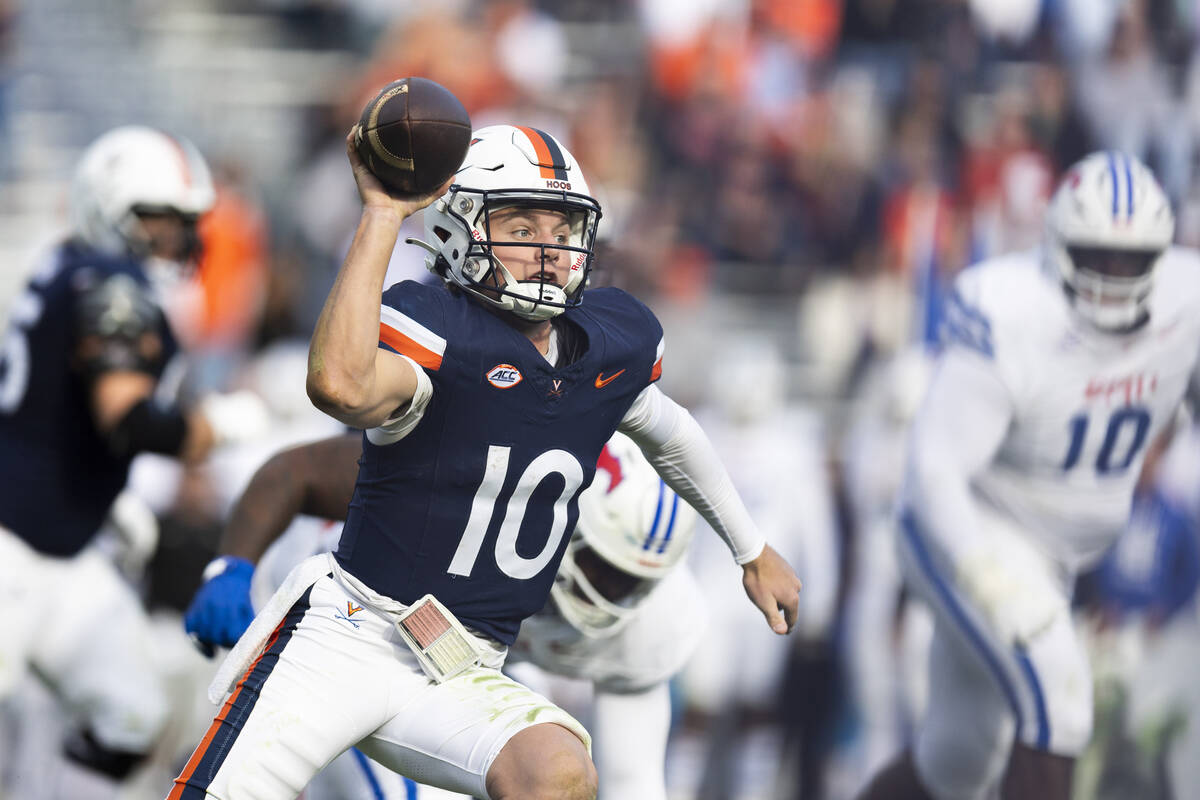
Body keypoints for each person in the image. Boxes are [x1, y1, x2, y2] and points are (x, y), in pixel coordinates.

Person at [170, 123, 802, 800]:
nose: (548, 251)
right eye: (522, 228)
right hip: (349, 637)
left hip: (464, 662)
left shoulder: (606, 348)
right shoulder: (442, 336)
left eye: (561, 231)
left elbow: (670, 433)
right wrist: (382, 215)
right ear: (459, 230)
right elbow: (340, 384)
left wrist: (750, 549)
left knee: (557, 774)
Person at [857, 150, 1200, 800]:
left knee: (956, 761)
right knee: (1061, 698)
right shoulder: (1011, 308)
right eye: (1099, 255)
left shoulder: (1187, 300)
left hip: (1057, 554)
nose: (1116, 276)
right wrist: (985, 575)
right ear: (1060, 245)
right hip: (968, 528)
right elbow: (935, 468)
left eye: (1132, 259)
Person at [184, 430, 705, 800]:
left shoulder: (652, 625)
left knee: (552, 777)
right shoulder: (468, 491)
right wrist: (229, 570)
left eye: (636, 584)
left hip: (464, 651)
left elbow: (634, 781)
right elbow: (294, 472)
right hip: (362, 614)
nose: (614, 596)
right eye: (603, 569)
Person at [0, 125, 266, 786]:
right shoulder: (111, 283)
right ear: (108, 208)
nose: (171, 239)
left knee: (134, 715)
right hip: (12, 547)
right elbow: (131, 420)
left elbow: (54, 409)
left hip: (58, 548)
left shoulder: (66, 261)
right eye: (155, 219)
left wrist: (103, 496)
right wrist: (221, 426)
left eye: (180, 222)